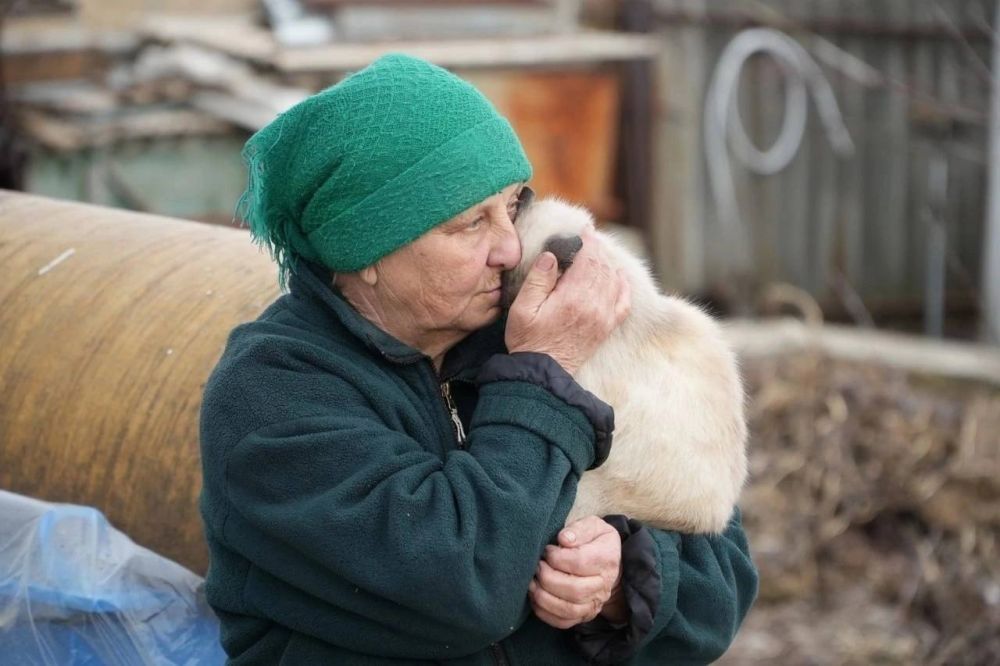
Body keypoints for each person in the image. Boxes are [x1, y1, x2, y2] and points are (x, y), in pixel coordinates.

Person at [199, 53, 757, 665]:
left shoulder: (523, 326)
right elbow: (465, 587)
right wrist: (543, 375)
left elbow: (724, 580)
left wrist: (626, 578)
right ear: (365, 252)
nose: (510, 247)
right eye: (471, 224)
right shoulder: (274, 396)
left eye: (513, 206)